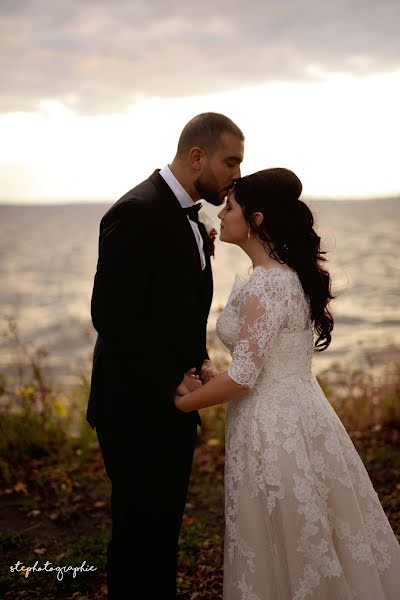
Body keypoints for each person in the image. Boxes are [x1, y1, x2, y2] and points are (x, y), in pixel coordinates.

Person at [174, 168, 400, 599]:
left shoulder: (270, 285)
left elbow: (244, 377)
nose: (220, 215)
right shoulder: (282, 277)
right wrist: (208, 378)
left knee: (289, 533)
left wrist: (182, 404)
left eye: (231, 208)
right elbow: (262, 365)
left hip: (274, 428)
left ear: (256, 220)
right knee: (310, 527)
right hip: (297, 413)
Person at [86, 112, 244, 599]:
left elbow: (174, 310)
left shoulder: (189, 217)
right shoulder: (136, 210)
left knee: (162, 531)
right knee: (138, 536)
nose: (236, 174)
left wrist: (196, 365)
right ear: (197, 156)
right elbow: (112, 315)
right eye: (230, 161)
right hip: (135, 403)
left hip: (174, 400)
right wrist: (171, 378)